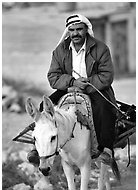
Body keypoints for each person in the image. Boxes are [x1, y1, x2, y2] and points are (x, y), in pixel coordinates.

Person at [27, 14, 117, 166]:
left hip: (95, 88)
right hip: (69, 87)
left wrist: (86, 85)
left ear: (86, 30)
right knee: (43, 109)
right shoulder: (60, 51)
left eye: (79, 29)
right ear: (68, 31)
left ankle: (106, 149)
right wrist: (72, 82)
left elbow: (106, 76)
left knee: (104, 108)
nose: (75, 33)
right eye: (72, 30)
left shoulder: (100, 49)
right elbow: (53, 76)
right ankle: (36, 148)